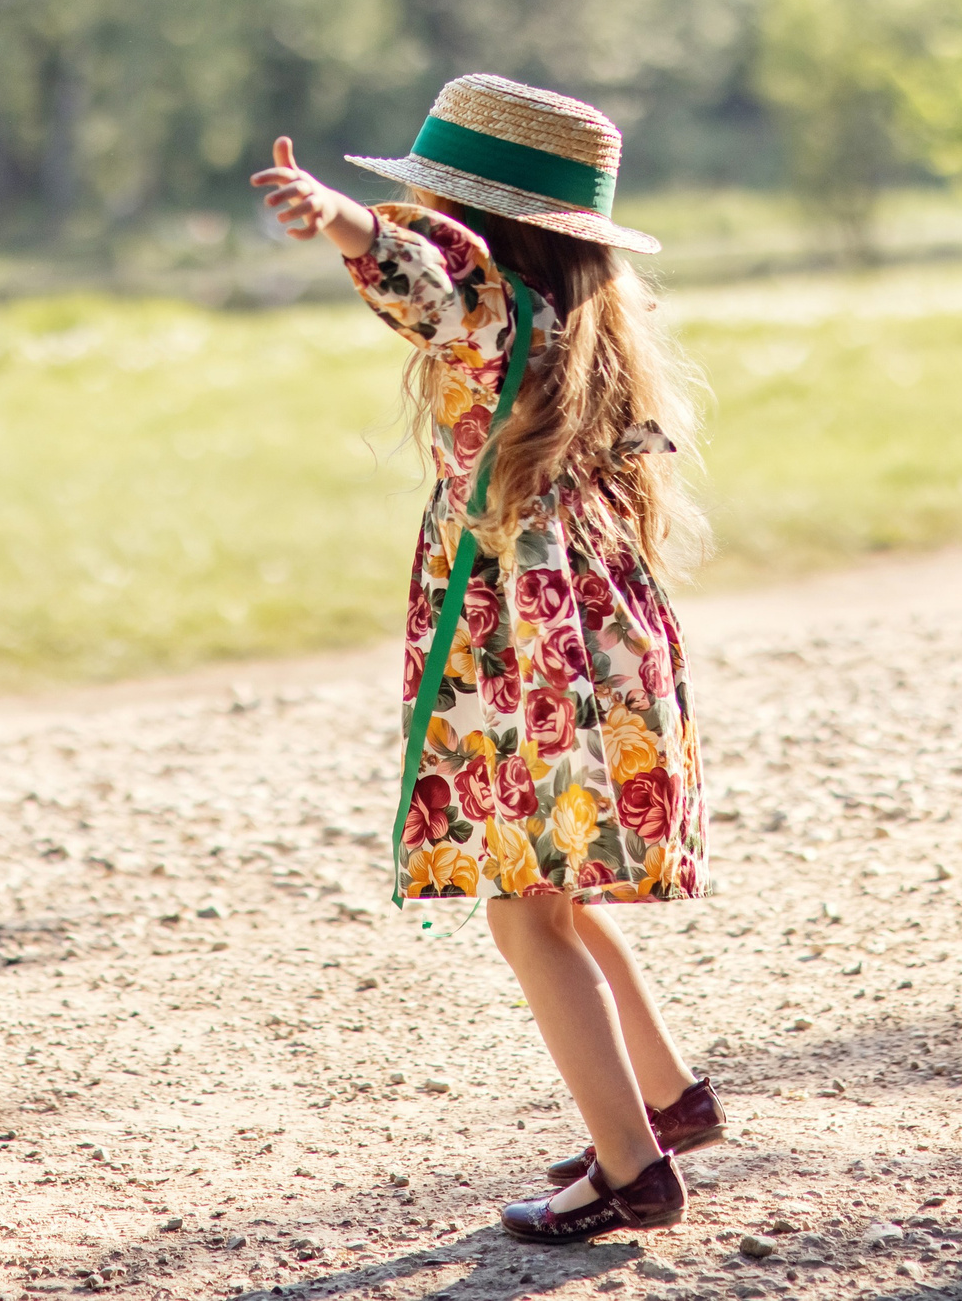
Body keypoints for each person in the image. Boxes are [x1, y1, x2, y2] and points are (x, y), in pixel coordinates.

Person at [252, 73, 720, 1243]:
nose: (409, 221)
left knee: (521, 907)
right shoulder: (584, 321)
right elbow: (435, 264)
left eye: (430, 202)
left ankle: (631, 1169)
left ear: (484, 226)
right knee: (550, 891)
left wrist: (340, 218)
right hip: (591, 639)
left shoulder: (485, 306)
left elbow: (426, 271)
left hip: (528, 647)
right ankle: (666, 1098)